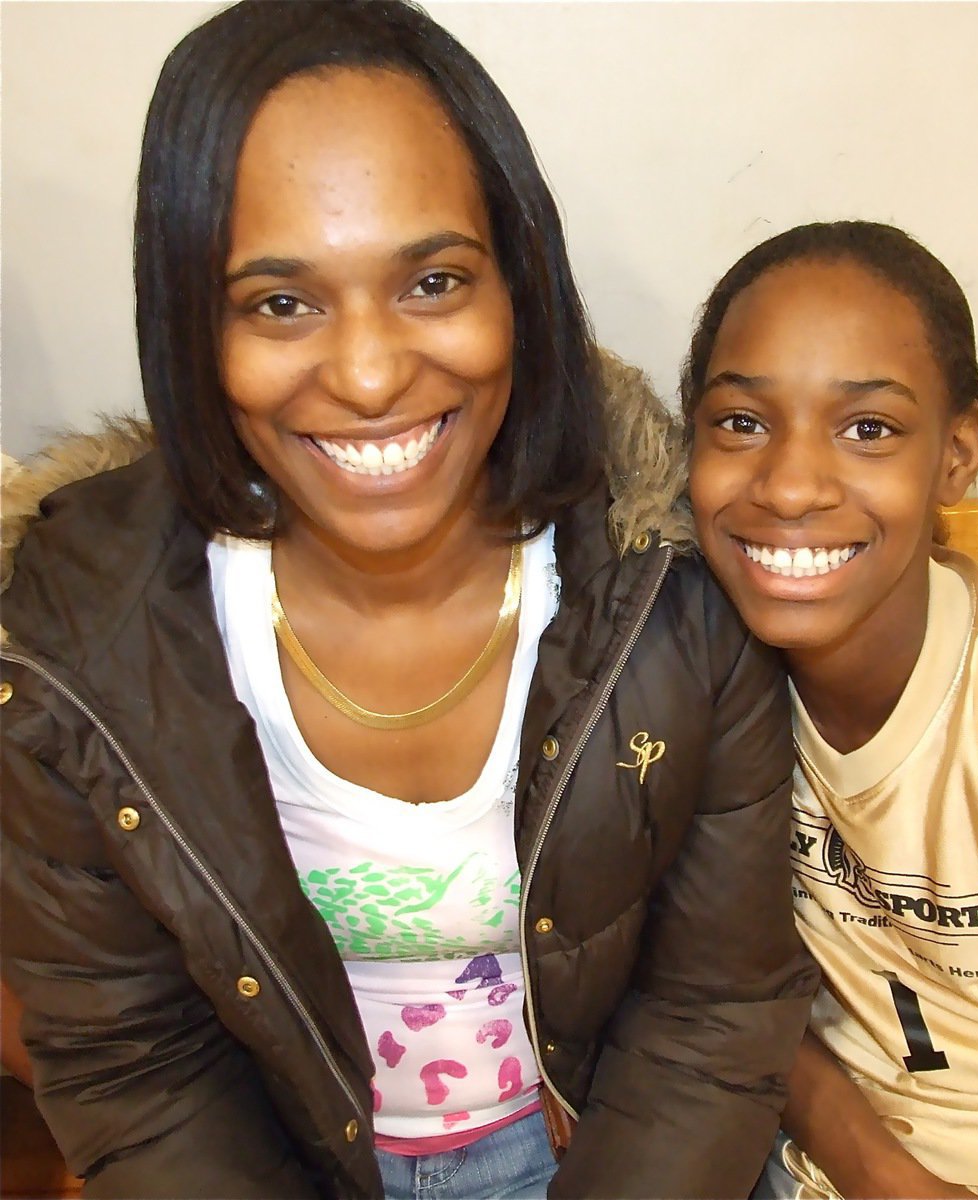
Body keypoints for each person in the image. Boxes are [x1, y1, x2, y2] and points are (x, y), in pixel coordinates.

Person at [0, 3, 817, 1197]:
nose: (372, 373)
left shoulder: (671, 587)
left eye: (433, 281)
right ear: (192, 322)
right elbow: (134, 1061)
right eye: (282, 303)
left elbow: (715, 1010)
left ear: (520, 289)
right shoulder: (74, 642)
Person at [682, 220, 978, 1200]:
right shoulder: (681, 691)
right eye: (741, 422)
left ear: (957, 453)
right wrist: (880, 1173)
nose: (794, 485)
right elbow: (720, 991)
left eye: (868, 429)